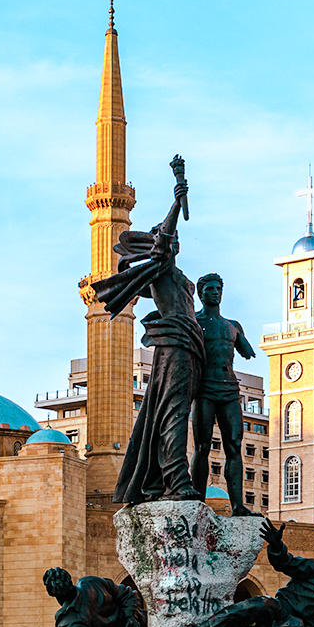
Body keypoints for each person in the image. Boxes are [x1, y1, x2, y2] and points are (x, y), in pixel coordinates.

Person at [90, 158, 203, 506]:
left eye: (176, 238)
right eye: (169, 238)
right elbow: (164, 239)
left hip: (191, 345)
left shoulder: (179, 275)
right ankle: (177, 479)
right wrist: (176, 201)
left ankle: (170, 478)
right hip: (175, 345)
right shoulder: (161, 266)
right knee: (173, 414)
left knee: (178, 412)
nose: (173, 240)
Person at [161, 520, 314, 627]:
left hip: (292, 625)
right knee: (262, 604)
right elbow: (285, 563)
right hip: (281, 608)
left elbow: (312, 625)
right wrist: (276, 545)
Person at [192, 273, 257, 515]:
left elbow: (247, 351)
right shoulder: (194, 321)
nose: (215, 292)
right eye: (210, 289)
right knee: (202, 446)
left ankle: (238, 505)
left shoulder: (233, 326)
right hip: (204, 388)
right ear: (201, 294)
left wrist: (242, 342)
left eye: (218, 288)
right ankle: (197, 502)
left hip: (229, 388)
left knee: (234, 445)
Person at [43, 567, 145, 627]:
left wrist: (131, 619)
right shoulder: (90, 582)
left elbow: (128, 595)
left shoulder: (65, 622)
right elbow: (128, 595)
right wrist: (131, 621)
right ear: (70, 580)